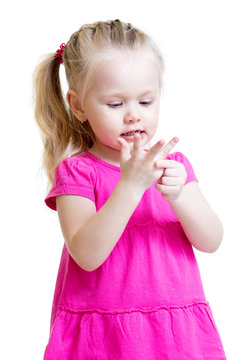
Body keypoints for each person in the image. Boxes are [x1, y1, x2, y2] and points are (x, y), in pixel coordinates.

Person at [33, 19, 226, 359]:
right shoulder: (77, 172)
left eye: (146, 102)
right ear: (78, 106)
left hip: (175, 335)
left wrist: (180, 196)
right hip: (105, 338)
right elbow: (87, 255)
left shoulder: (173, 164)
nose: (134, 116)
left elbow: (211, 240)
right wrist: (130, 187)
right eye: (115, 104)